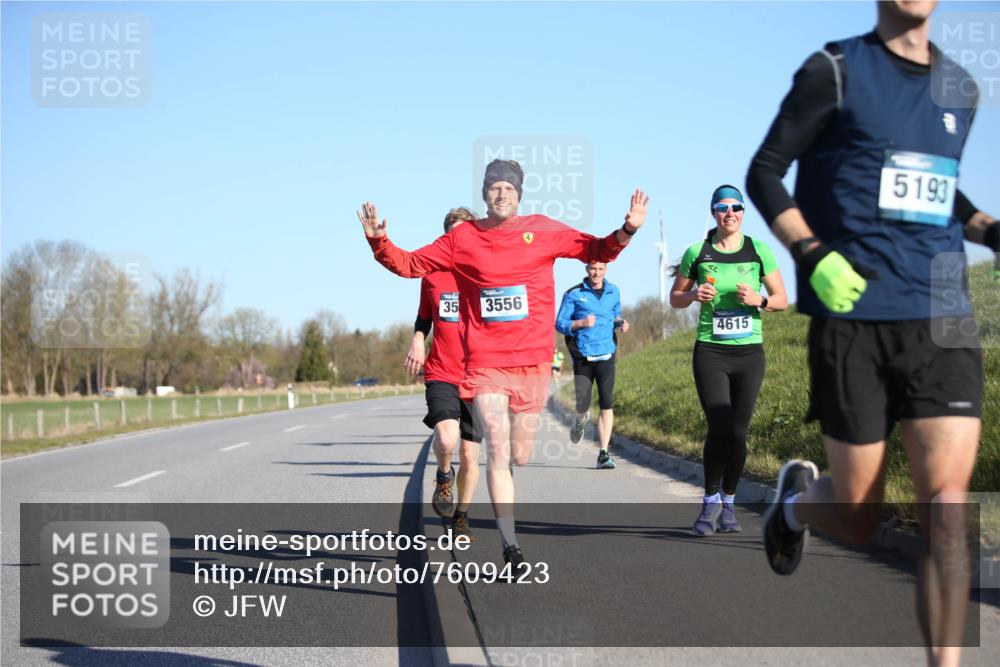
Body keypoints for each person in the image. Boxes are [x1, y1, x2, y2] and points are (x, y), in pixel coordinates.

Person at [746, 2, 995, 663]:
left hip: (941, 315)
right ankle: (796, 504)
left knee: (947, 508)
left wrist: (988, 230)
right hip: (852, 316)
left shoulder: (961, 88)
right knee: (859, 514)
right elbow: (765, 172)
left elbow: (940, 186)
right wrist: (811, 256)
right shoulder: (833, 69)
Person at [358, 159, 648, 571]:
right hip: (486, 364)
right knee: (495, 445)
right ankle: (511, 548)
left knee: (519, 455)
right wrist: (379, 241)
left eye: (509, 189)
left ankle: (506, 488)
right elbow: (409, 265)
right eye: (494, 188)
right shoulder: (463, 239)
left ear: (519, 195)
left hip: (531, 363)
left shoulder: (543, 230)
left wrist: (629, 229)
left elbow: (598, 249)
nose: (501, 194)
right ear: (484, 195)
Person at [670, 185, 787, 535]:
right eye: (723, 208)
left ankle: (729, 503)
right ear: (713, 213)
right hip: (711, 351)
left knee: (737, 433)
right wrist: (692, 294)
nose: (730, 213)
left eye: (736, 207)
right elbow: (675, 298)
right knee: (719, 426)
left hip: (750, 353)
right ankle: (709, 505)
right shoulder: (698, 252)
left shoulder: (759, 250)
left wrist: (759, 299)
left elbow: (782, 299)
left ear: (743, 213)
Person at [403, 207, 482, 539]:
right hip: (442, 372)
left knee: (470, 453)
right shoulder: (432, 274)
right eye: (453, 233)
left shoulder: (486, 273)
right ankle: (443, 475)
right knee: (448, 440)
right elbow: (424, 317)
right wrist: (418, 340)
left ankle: (461, 517)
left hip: (479, 374)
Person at [555, 260, 631, 469]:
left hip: (606, 354)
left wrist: (621, 323)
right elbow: (560, 323)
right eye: (593, 269)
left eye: (600, 269)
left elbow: (615, 315)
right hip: (583, 355)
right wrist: (580, 323)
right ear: (587, 270)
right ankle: (580, 419)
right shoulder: (573, 294)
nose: (596, 273)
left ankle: (603, 454)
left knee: (607, 403)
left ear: (605, 270)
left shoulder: (613, 291)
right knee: (583, 404)